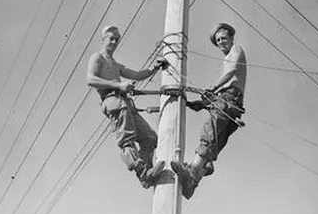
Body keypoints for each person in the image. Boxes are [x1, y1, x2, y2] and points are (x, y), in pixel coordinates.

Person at [87, 25, 168, 189]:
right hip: (112, 100)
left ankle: (148, 172)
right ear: (104, 38)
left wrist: (154, 68)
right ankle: (142, 172)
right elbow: (91, 79)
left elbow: (137, 75)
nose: (115, 41)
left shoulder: (115, 64)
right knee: (127, 139)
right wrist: (118, 85)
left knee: (149, 137)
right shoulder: (97, 58)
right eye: (111, 38)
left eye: (117, 39)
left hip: (125, 102)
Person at [171, 23, 247, 199]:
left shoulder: (236, 50)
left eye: (223, 38)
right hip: (230, 102)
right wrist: (202, 103)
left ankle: (191, 173)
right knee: (213, 143)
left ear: (231, 38)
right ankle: (191, 184)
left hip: (230, 100)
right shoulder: (226, 58)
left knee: (208, 132)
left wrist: (212, 88)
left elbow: (232, 73)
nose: (221, 42)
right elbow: (225, 90)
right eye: (218, 40)